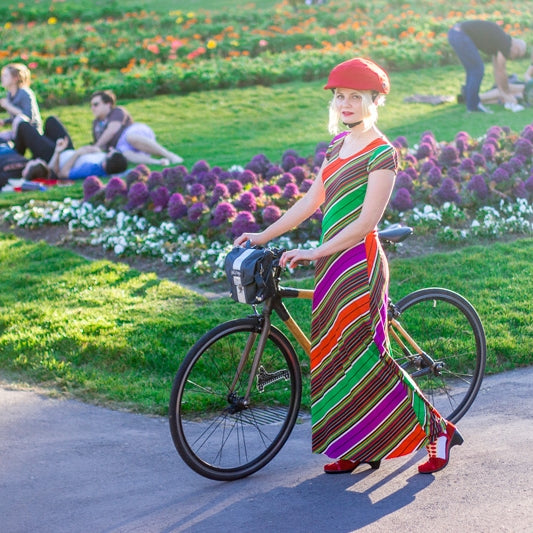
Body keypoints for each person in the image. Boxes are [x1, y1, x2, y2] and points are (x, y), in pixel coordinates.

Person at [234, 57, 463, 475]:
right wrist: (263, 235)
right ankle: (361, 445)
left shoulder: (382, 154)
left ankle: (438, 429)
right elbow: (310, 203)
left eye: (355, 97)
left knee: (370, 357)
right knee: (336, 357)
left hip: (359, 265)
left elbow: (365, 224)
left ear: (374, 101)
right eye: (340, 96)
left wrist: (313, 253)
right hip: (330, 268)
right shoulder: (336, 147)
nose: (345, 104)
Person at [448, 20, 527, 113]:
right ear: (516, 47)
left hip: (454, 33)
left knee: (473, 70)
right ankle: (473, 106)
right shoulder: (506, 43)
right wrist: (508, 94)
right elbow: (502, 71)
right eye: (517, 55)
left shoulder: (499, 44)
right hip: (461, 34)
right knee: (477, 70)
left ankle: (470, 102)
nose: (514, 58)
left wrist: (503, 92)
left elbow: (497, 70)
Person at [15, 116, 127, 181]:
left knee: (23, 126)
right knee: (51, 121)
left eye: (111, 153)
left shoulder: (92, 169)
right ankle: (35, 152)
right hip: (67, 149)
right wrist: (94, 150)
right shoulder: (103, 161)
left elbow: (62, 174)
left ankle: (15, 155)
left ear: (106, 164)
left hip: (53, 157)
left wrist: (77, 153)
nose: (111, 150)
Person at [89, 90, 183, 166]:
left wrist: (96, 146)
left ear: (108, 104)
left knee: (130, 137)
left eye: (96, 104)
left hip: (133, 133)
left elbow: (112, 131)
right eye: (91, 105)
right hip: (120, 146)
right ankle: (159, 162)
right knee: (124, 154)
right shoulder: (95, 123)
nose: (92, 108)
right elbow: (100, 145)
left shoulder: (117, 111)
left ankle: (170, 156)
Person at [0, 63, 42, 141]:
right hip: (17, 131)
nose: (2, 78)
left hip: (32, 132)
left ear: (16, 78)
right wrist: (4, 121)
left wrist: (8, 106)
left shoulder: (25, 93)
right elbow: (15, 118)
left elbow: (27, 117)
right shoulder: (9, 94)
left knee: (19, 119)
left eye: (5, 75)